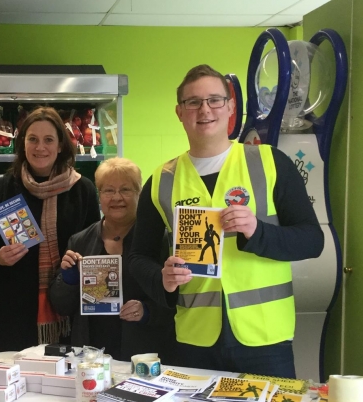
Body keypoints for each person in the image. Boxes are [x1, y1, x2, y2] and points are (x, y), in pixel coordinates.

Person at [127, 64, 324, 378]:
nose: (204, 109)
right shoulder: (161, 180)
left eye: (214, 100)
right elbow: (138, 257)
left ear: (231, 107)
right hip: (193, 340)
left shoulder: (270, 163)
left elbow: (313, 240)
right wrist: (161, 280)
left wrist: (258, 231)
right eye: (193, 102)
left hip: (265, 339)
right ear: (179, 112)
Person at [0, 107, 100, 354]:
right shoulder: (1, 187)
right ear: (23, 144)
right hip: (13, 313)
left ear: (60, 145)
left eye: (48, 140)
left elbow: (94, 248)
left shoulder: (82, 190)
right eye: (33, 139)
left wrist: (78, 263)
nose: (40, 147)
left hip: (66, 314)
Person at [48, 158, 176, 363]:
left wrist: (148, 311)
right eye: (108, 190)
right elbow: (61, 305)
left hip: (144, 353)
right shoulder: (80, 241)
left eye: (125, 190)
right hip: (91, 355)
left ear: (139, 194)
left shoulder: (159, 241)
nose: (117, 197)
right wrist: (69, 278)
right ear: (100, 196)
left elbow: (179, 301)